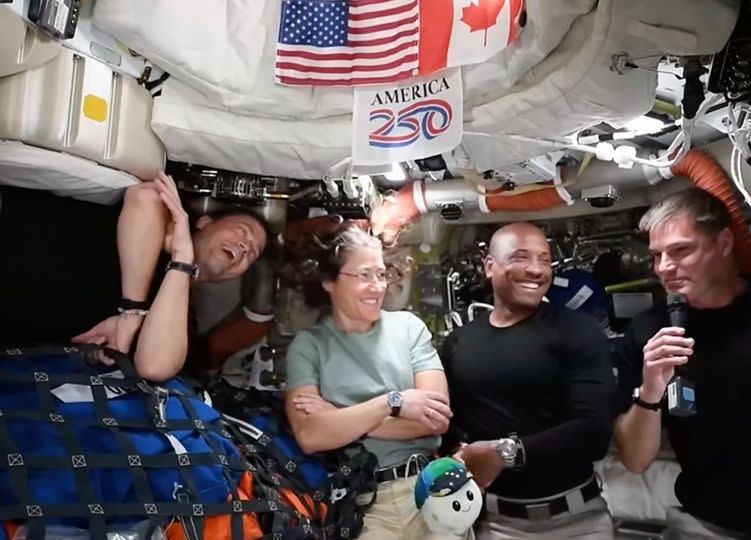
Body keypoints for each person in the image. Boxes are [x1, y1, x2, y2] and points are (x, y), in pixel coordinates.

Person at [612, 187, 751, 539]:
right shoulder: (648, 332)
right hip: (703, 525)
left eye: (681, 250)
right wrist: (651, 388)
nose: (665, 267)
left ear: (724, 243)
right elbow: (635, 459)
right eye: (657, 256)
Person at [283, 224, 469, 540]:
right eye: (364, 275)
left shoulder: (409, 328)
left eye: (381, 274)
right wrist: (393, 403)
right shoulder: (308, 345)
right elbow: (311, 435)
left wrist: (340, 416)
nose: (377, 286)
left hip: (429, 487)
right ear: (330, 281)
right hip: (363, 503)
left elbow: (436, 420)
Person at [441, 222, 616, 540]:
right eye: (521, 257)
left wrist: (507, 453)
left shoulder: (579, 331)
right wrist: (455, 450)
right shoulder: (459, 343)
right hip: (494, 524)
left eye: (545, 260)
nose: (536, 269)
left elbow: (595, 432)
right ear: (490, 267)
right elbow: (450, 428)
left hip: (578, 522)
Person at [0, 174, 272, 375]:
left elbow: (155, 367)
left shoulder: (179, 319)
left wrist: (183, 260)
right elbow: (147, 196)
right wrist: (133, 311)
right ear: (204, 223)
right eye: (242, 231)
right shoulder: (160, 220)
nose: (245, 246)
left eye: (252, 253)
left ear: (233, 276)